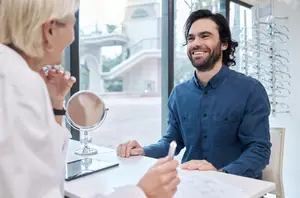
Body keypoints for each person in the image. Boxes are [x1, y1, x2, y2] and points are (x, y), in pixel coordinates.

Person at [0, 0, 179, 198]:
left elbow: (44, 167)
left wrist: (56, 103)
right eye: (72, 22)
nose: (73, 35)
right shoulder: (20, 86)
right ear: (50, 30)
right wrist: (143, 193)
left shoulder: (13, 78)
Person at [117, 9, 272, 179]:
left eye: (205, 36)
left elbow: (259, 150)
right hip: (190, 184)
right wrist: (142, 151)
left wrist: (221, 174)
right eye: (191, 38)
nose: (196, 43)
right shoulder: (179, 94)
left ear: (224, 44)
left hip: (236, 186)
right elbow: (171, 140)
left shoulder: (250, 90)